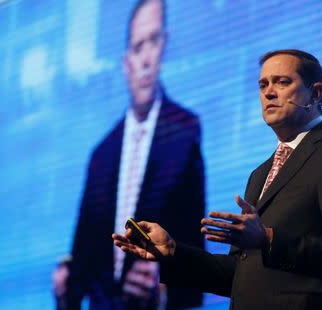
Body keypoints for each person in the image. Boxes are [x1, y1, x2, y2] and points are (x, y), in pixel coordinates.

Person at [113, 49, 322, 309]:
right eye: (263, 84)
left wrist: (269, 239)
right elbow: (241, 275)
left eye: (282, 82)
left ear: (315, 92)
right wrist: (173, 252)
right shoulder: (260, 174)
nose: (269, 92)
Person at [52, 0, 204, 309]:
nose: (146, 58)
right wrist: (65, 286)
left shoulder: (184, 131)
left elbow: (195, 254)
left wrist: (162, 290)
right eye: (137, 48)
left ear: (164, 46)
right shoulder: (101, 154)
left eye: (153, 42)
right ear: (125, 63)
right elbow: (81, 257)